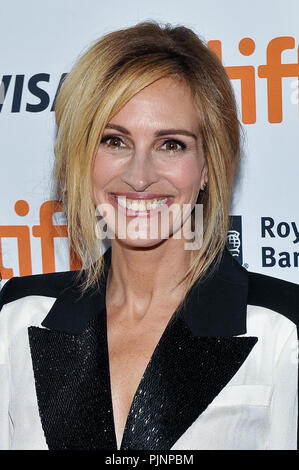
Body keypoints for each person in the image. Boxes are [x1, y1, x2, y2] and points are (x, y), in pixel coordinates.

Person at [0, 20, 298, 451]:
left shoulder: (283, 330)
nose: (139, 176)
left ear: (208, 166)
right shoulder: (17, 316)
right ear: (82, 157)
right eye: (114, 141)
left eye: (171, 144)